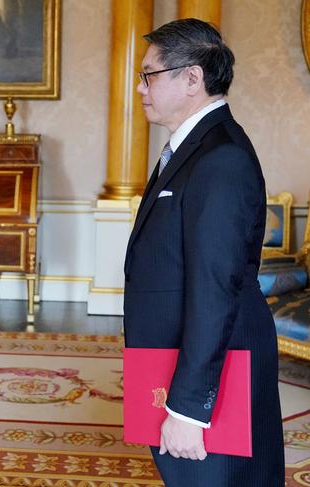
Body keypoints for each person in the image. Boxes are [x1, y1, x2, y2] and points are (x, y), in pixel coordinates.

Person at [123, 18, 284, 486]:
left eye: (148, 75)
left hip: (211, 380)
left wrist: (190, 409)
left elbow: (217, 287)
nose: (139, 88)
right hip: (176, 362)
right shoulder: (192, 148)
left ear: (192, 78)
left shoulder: (221, 158)